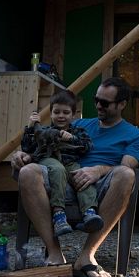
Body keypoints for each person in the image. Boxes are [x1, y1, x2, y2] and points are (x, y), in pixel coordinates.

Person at [11, 76, 139, 277]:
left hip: (102, 185)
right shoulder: (80, 125)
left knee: (126, 175)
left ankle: (86, 257)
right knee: (28, 171)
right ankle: (55, 254)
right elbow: (47, 143)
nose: (98, 106)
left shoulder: (136, 135)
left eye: (105, 103)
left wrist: (98, 171)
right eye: (96, 100)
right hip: (64, 179)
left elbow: (126, 165)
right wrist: (23, 155)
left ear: (121, 105)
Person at [18, 90, 101, 237]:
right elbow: (27, 147)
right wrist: (30, 127)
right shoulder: (44, 130)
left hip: (70, 162)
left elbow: (87, 147)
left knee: (81, 176)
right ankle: (59, 215)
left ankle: (89, 212)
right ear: (50, 114)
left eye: (66, 112)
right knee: (57, 169)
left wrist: (72, 139)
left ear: (73, 115)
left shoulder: (78, 131)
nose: (61, 116)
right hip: (49, 160)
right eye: (57, 112)